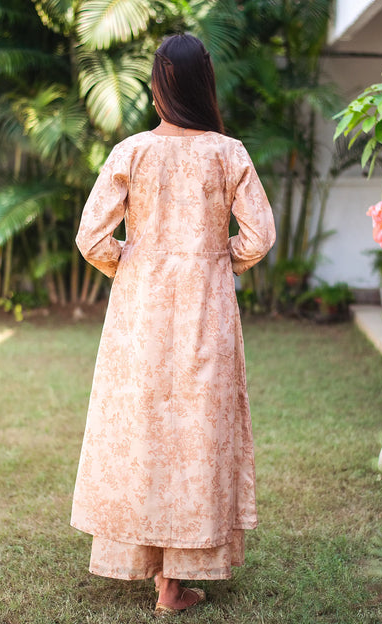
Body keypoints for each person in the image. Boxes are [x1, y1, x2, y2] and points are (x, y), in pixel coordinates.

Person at [71, 33, 276, 616]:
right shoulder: (228, 153)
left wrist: (134, 264)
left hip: (140, 315)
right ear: (203, 82)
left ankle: (154, 571)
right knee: (197, 435)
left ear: (160, 85)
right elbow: (260, 236)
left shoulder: (130, 152)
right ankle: (173, 584)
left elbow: (90, 237)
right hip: (204, 313)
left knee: (145, 436)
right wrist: (217, 260)